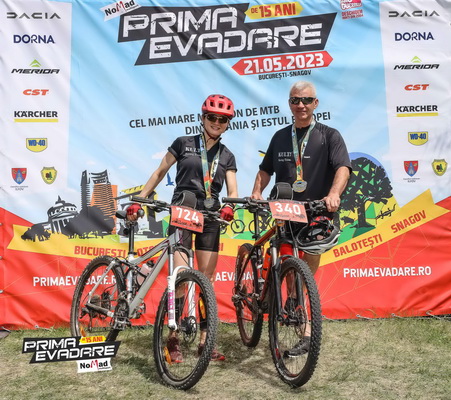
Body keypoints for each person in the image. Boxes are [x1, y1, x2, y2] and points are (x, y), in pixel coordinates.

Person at [127, 94, 238, 362]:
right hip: (183, 213)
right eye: (212, 117)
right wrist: (140, 199)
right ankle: (173, 338)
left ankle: (204, 342)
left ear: (227, 124)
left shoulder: (227, 155)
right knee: (180, 277)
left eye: (222, 119)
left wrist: (229, 207)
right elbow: (159, 172)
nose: (216, 122)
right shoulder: (183, 143)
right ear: (203, 118)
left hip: (210, 218)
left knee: (206, 282)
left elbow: (232, 191)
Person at [251, 81, 351, 356]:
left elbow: (343, 167)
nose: (301, 105)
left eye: (306, 100)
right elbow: (265, 170)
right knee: (287, 262)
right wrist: (257, 191)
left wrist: (334, 194)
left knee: (308, 261)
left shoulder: (329, 135)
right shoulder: (280, 137)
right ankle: (299, 317)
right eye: (295, 100)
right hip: (285, 210)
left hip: (317, 210)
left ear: (315, 103)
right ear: (290, 104)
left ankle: (297, 301)